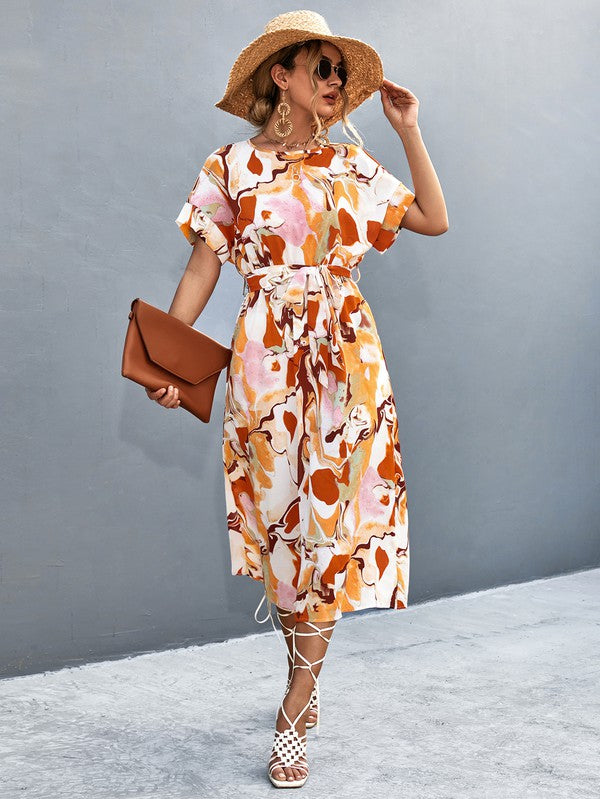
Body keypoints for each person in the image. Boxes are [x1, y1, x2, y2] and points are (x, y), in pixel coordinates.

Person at [145, 9, 448, 789]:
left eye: (341, 71)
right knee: (286, 531)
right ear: (282, 74)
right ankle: (303, 678)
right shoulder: (230, 167)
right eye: (323, 65)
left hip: (348, 363)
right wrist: (172, 365)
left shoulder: (352, 163)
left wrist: (408, 129)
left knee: (331, 526)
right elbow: (201, 270)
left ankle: (294, 707)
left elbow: (433, 219)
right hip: (264, 365)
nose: (336, 80)